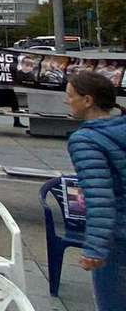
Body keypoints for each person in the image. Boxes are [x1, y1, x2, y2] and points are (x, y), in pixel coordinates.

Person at [65, 71, 126, 310]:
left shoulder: (86, 140)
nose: (66, 101)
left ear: (88, 100)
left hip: (118, 237)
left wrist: (94, 248)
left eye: (70, 96)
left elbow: (100, 197)